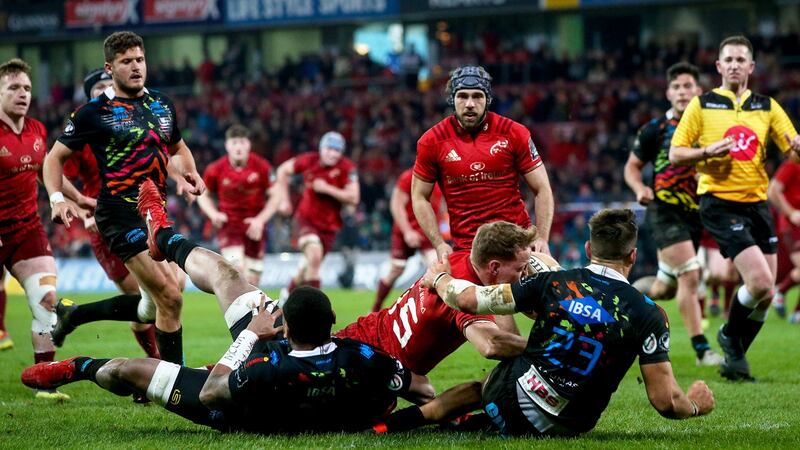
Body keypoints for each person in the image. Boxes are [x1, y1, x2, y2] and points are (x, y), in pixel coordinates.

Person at [385, 209, 715, 436]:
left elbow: (472, 300)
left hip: (507, 397)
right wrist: (696, 406)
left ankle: (391, 425)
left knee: (480, 388)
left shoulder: (556, 283)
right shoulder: (649, 313)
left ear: (588, 248)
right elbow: (665, 401)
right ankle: (481, 423)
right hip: (571, 422)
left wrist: (440, 279)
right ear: (632, 255)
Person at [21, 286, 414, 434]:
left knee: (127, 370)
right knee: (231, 283)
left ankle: (78, 367)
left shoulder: (268, 362)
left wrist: (250, 334)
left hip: (235, 409)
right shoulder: (362, 358)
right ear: (333, 324)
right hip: (269, 394)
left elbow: (212, 393)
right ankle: (169, 238)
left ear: (286, 328)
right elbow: (424, 389)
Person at [43, 31, 205, 366]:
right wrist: (58, 198)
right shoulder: (93, 112)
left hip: (153, 212)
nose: (135, 67)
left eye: (140, 60)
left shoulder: (162, 104)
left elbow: (178, 148)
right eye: (126, 61)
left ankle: (73, 316)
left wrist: (190, 174)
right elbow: (53, 159)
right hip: (118, 214)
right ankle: (176, 382)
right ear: (110, 67)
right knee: (170, 298)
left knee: (151, 304)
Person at [670, 35, 800, 381]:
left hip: (757, 204)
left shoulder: (767, 106)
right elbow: (676, 153)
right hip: (719, 201)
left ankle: (735, 358)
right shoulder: (702, 105)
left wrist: (798, 147)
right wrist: (706, 152)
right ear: (718, 66)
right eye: (728, 59)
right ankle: (730, 336)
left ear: (751, 67)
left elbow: (792, 150)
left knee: (767, 291)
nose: (734, 65)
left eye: (741, 60)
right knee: (758, 282)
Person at [336, 221, 532, 401]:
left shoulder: (459, 260)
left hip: (360, 337)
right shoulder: (463, 294)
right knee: (422, 392)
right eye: (521, 269)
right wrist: (546, 345)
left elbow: (502, 306)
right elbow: (491, 345)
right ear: (494, 267)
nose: (525, 275)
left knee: (424, 391)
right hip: (367, 362)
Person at [50, 68, 160, 360]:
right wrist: (83, 203)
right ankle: (157, 367)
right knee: (147, 297)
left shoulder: (130, 120)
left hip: (139, 215)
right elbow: (54, 169)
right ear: (89, 97)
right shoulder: (84, 129)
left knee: (161, 294)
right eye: (98, 87)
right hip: (107, 225)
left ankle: (74, 315)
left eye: (107, 85)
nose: (104, 90)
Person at [0, 58, 93, 400]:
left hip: (26, 231)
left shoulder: (38, 130)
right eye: (13, 88)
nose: (22, 93)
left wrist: (79, 199)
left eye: (26, 87)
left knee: (47, 300)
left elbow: (46, 172)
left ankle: (45, 381)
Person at [623, 62, 723, 366]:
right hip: (665, 211)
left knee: (664, 288)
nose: (682, 92)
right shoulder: (655, 129)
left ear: (699, 91)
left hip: (697, 214)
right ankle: (703, 350)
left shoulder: (708, 128)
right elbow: (631, 167)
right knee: (692, 275)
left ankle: (626, 294)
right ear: (668, 93)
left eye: (687, 86)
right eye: (676, 87)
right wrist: (640, 188)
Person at [411, 65, 553, 262]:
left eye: (477, 96)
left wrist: (543, 237)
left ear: (488, 100)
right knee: (433, 291)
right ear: (452, 99)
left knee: (560, 289)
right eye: (463, 96)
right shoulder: (431, 141)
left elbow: (542, 188)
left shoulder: (514, 133)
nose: (470, 104)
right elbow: (419, 197)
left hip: (518, 245)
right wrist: (439, 243)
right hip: (467, 251)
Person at [270, 131, 359, 295]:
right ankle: (315, 311)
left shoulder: (347, 168)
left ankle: (286, 296)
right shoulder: (309, 160)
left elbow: (354, 197)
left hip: (329, 227)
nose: (333, 154)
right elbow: (282, 170)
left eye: (337, 150)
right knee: (315, 255)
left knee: (307, 268)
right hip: (305, 221)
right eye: (329, 149)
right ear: (321, 148)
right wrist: (284, 200)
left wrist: (328, 189)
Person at [197, 124, 273, 286]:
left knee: (253, 280)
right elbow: (203, 195)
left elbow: (276, 196)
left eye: (242, 142)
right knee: (237, 270)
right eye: (234, 142)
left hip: (255, 227)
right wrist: (213, 214)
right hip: (229, 226)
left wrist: (260, 220)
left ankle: (251, 311)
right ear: (227, 145)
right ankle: (236, 310)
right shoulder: (216, 169)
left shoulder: (262, 166)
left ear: (249, 145)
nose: (238, 147)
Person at [372, 167, 445, 312]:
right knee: (397, 268)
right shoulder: (409, 176)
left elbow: (442, 206)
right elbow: (396, 204)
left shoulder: (442, 178)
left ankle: (430, 312)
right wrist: (407, 232)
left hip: (427, 231)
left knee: (436, 266)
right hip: (405, 230)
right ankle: (375, 309)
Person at [768, 157, 800, 323]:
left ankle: (795, 311)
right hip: (792, 226)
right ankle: (780, 292)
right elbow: (773, 190)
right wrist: (790, 212)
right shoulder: (791, 165)